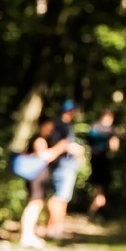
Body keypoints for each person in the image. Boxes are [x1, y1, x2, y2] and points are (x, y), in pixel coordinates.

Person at [18, 117, 74, 249]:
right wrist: (61, 147)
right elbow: (45, 157)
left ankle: (29, 234)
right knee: (34, 204)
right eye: (48, 127)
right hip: (36, 178)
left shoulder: (42, 139)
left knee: (36, 204)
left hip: (39, 178)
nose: (50, 131)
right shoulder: (39, 140)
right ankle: (26, 235)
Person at [42, 100, 84, 240]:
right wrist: (72, 148)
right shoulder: (60, 125)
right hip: (62, 165)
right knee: (59, 196)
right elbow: (58, 144)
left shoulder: (65, 125)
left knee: (63, 197)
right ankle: (52, 228)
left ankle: (57, 227)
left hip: (65, 165)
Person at [85, 109, 120, 219]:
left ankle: (96, 212)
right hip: (103, 161)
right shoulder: (110, 131)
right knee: (102, 191)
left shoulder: (93, 127)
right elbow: (114, 147)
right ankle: (93, 213)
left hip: (94, 161)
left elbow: (88, 141)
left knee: (98, 189)